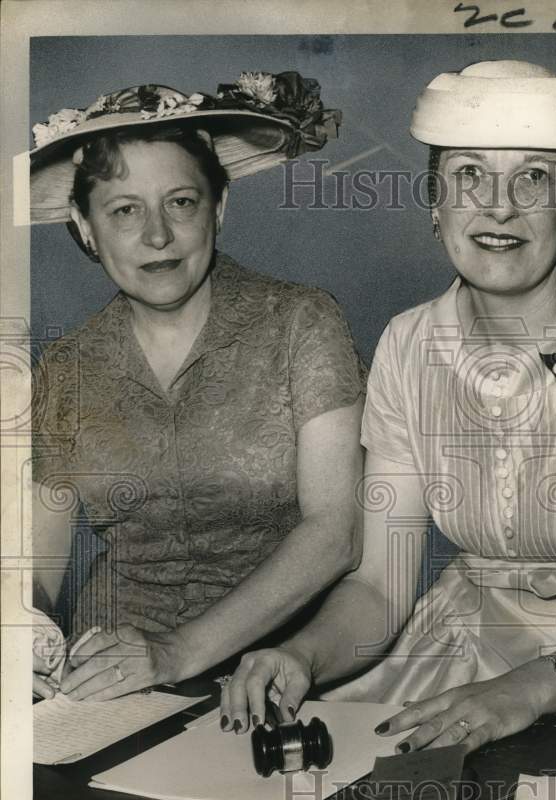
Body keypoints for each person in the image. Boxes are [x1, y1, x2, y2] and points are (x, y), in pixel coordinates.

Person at [220, 60, 556, 752]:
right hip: (458, 643)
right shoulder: (408, 344)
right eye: (468, 176)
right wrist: (302, 655)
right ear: (435, 200)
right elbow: (381, 589)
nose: (499, 207)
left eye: (533, 178)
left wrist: (523, 691)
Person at [29, 73, 367, 706]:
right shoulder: (63, 368)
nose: (157, 236)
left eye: (180, 202)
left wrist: (176, 652)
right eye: (124, 210)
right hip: (110, 686)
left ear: (219, 206)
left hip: (275, 676)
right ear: (83, 223)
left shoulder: (302, 323)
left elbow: (336, 534)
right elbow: (36, 576)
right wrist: (25, 645)